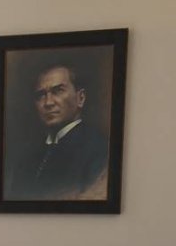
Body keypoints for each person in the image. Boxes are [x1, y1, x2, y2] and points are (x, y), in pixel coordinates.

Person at [7, 63, 109, 201]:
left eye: (58, 91)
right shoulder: (26, 160)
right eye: (41, 95)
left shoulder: (100, 150)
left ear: (80, 98)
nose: (48, 103)